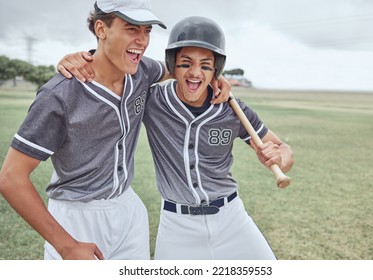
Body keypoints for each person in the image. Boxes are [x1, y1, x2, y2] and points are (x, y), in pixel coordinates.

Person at [60, 16, 294, 259]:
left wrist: (279, 157)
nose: (195, 73)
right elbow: (113, 66)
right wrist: (78, 58)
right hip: (177, 224)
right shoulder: (152, 100)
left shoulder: (232, 108)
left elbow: (282, 150)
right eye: (185, 64)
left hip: (231, 217)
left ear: (216, 70)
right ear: (172, 65)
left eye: (206, 65)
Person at [0, 0, 170, 260]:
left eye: (146, 30)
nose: (142, 40)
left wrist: (217, 76)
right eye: (131, 29)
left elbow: (181, 67)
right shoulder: (59, 95)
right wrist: (66, 245)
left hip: (128, 210)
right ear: (101, 29)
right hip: (76, 220)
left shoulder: (142, 70)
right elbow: (11, 178)